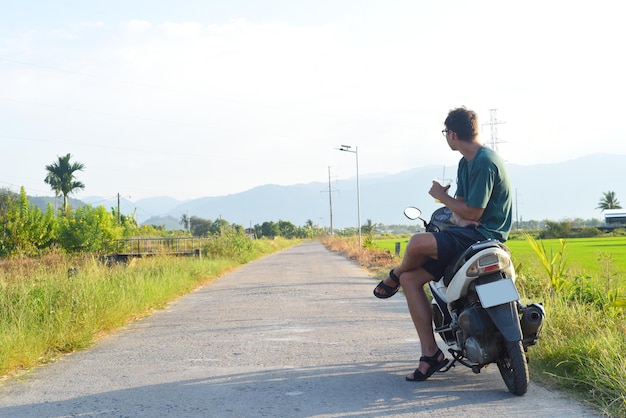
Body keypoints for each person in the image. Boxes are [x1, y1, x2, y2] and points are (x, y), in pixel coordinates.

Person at [373, 106, 512, 382]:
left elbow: (472, 213)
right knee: (413, 280)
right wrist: (458, 209)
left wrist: (440, 196)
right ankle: (430, 354)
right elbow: (463, 211)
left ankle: (394, 276)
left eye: (445, 133)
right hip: (470, 235)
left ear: (452, 134)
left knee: (415, 244)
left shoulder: (483, 161)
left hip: (482, 237)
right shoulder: (466, 162)